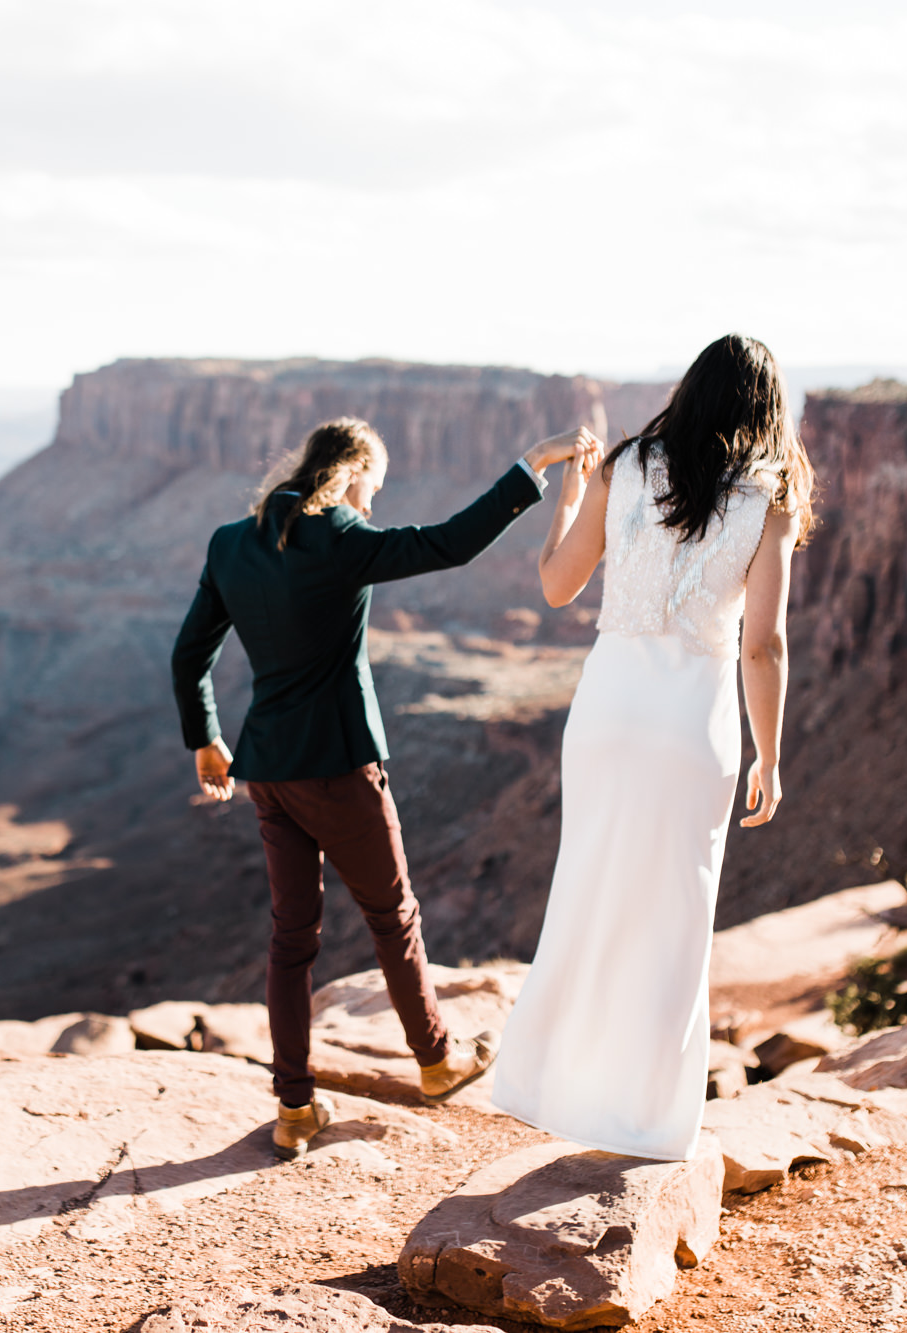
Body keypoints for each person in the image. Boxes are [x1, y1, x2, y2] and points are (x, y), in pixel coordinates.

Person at [171, 415, 601, 1161]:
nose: (374, 502)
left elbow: (188, 656)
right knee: (391, 914)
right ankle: (437, 1060)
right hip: (339, 766)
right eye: (374, 486)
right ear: (351, 472)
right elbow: (451, 542)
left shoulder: (230, 542)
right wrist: (535, 460)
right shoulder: (341, 538)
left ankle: (294, 1108)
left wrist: (207, 741)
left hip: (268, 771)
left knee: (290, 937)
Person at [491, 334, 818, 1160]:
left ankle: (545, 1086)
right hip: (688, 726)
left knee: (589, 891)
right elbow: (764, 644)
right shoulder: (771, 492)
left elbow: (558, 584)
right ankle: (643, 1121)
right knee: (674, 914)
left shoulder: (626, 463)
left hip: (605, 714)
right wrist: (770, 754)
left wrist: (569, 495)